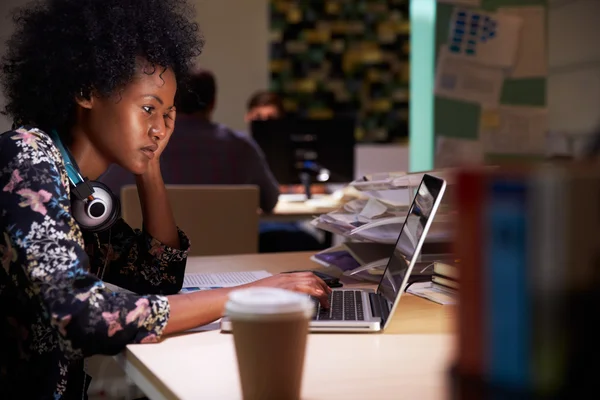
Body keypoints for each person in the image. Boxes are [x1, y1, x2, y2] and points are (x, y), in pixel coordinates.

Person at [0, 1, 329, 398]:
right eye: (148, 109)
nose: (159, 130)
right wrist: (248, 296)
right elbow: (80, 313)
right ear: (86, 91)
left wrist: (149, 169)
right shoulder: (27, 158)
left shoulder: (79, 186)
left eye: (168, 115)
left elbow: (158, 278)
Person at [101, 69, 280, 213]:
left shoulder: (140, 148)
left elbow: (102, 195)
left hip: (154, 256)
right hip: (228, 256)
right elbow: (270, 201)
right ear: (213, 103)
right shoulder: (242, 147)